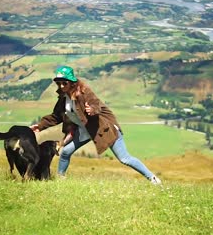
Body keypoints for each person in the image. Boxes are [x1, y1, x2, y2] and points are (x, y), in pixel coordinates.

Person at [31, 66, 162, 185]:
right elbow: (56, 116)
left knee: (125, 158)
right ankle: (60, 180)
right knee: (65, 152)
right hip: (84, 130)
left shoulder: (84, 92)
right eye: (58, 83)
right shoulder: (63, 98)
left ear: (72, 82)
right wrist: (40, 126)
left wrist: (92, 110)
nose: (61, 86)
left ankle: (153, 179)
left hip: (103, 129)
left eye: (64, 82)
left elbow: (95, 104)